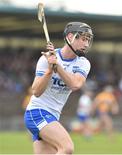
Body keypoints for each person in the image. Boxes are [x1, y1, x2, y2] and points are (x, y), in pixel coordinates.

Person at [24, 22, 93, 154]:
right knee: (67, 148)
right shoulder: (46, 59)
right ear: (70, 37)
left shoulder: (83, 63)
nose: (86, 44)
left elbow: (75, 84)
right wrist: (50, 71)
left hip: (53, 116)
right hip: (37, 112)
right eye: (83, 39)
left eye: (88, 40)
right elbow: (36, 91)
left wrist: (58, 67)